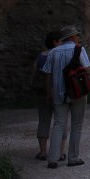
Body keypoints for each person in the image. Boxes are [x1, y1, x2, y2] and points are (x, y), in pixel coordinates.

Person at [40, 24, 90, 168]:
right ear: (73, 37)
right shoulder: (79, 50)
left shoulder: (53, 52)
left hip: (58, 92)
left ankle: (53, 159)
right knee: (77, 125)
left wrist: (49, 93)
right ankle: (73, 158)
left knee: (58, 124)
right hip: (77, 92)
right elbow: (87, 69)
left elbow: (47, 74)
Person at [33, 31, 66, 161]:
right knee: (61, 121)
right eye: (61, 41)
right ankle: (61, 152)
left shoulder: (41, 56)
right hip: (58, 91)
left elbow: (34, 73)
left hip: (42, 92)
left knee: (43, 120)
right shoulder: (60, 56)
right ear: (55, 42)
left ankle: (42, 152)